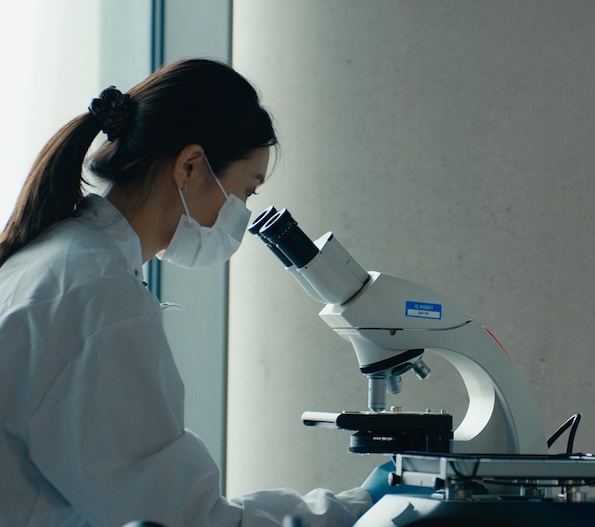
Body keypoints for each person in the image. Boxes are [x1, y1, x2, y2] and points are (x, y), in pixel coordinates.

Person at [0, 59, 404, 527]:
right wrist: (356, 508)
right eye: (246, 193)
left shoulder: (55, 257)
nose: (243, 215)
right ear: (190, 166)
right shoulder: (101, 297)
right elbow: (186, 519)